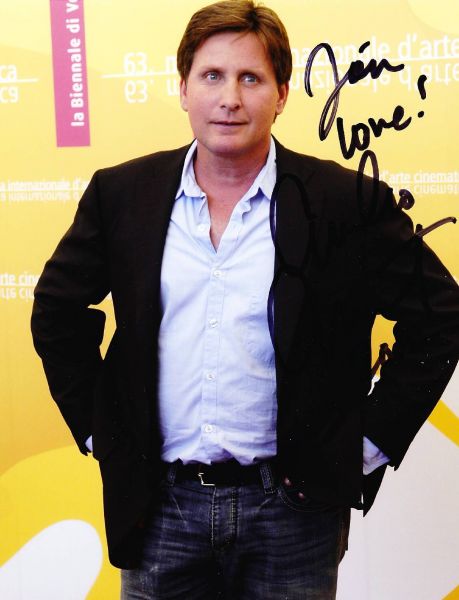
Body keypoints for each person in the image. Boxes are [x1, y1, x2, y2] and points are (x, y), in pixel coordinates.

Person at [31, 1, 459, 598]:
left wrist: (365, 446)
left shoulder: (345, 203)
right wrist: (103, 431)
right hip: (159, 509)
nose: (229, 98)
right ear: (183, 88)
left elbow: (440, 317)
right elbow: (57, 313)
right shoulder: (121, 194)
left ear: (281, 94)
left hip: (294, 514)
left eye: (250, 78)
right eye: (212, 76)